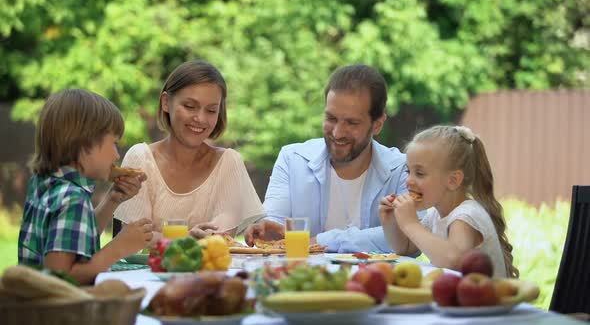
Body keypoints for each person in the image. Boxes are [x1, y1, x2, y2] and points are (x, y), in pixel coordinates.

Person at [245, 64, 414, 253]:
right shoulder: (292, 159)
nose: (337, 132)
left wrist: (324, 240)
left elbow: (412, 238)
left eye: (351, 123)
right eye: (331, 119)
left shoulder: (403, 170)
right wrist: (269, 231)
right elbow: (275, 220)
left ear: (377, 125)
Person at [114, 60, 265, 241]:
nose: (200, 118)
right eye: (189, 106)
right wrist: (186, 239)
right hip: (148, 270)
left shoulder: (229, 161)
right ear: (166, 103)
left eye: (211, 110)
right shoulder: (140, 158)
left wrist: (165, 239)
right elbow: (132, 237)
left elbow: (220, 236)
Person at [18, 89, 152, 284]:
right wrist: (119, 247)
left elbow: (76, 240)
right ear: (86, 145)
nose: (116, 155)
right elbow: (59, 279)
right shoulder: (73, 198)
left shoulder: (45, 184)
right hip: (61, 312)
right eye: (113, 143)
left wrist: (113, 198)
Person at [379, 125, 518, 278]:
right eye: (408, 171)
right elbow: (404, 248)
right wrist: (390, 221)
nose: (409, 181)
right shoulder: (436, 215)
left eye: (419, 173)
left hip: (486, 300)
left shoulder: (466, 216)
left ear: (453, 180)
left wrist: (410, 224)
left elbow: (453, 260)